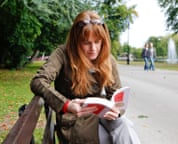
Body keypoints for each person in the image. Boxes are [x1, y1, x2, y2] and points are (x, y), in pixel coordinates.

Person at [30, 10, 141, 144]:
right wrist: (67, 104)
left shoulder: (107, 59)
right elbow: (38, 81)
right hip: (75, 118)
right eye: (86, 42)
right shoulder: (62, 54)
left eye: (97, 42)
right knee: (109, 139)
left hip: (100, 114)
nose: (93, 48)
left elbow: (115, 94)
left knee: (123, 124)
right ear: (76, 41)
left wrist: (117, 111)